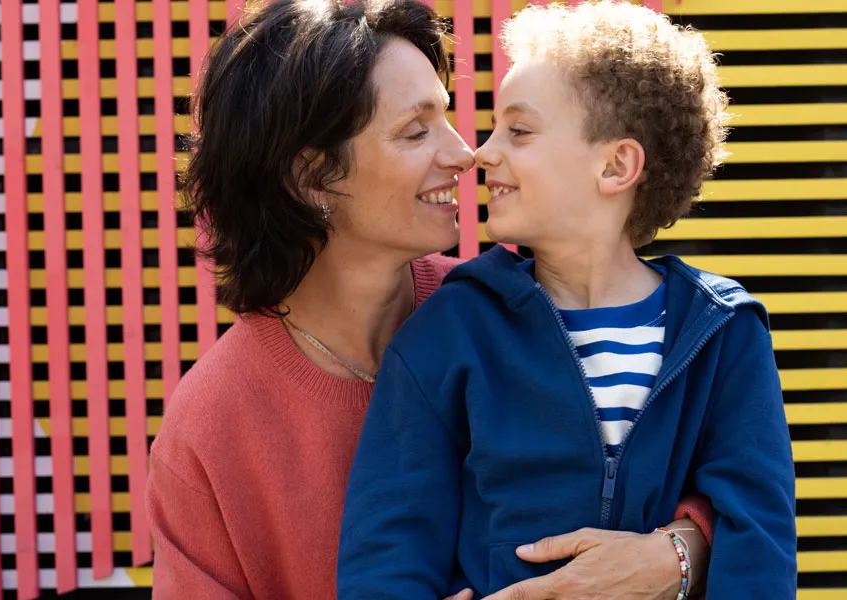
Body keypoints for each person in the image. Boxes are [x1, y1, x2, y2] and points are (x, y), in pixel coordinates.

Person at [145, 1, 714, 598]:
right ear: (312, 176)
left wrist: (678, 553)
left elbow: (705, 474)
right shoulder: (208, 431)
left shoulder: (516, 305)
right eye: (416, 131)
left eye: (446, 117)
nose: (467, 154)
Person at [336, 1, 797, 599]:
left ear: (616, 165)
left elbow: (757, 540)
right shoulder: (450, 330)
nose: (482, 153)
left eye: (519, 131)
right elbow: (385, 549)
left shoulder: (723, 332)